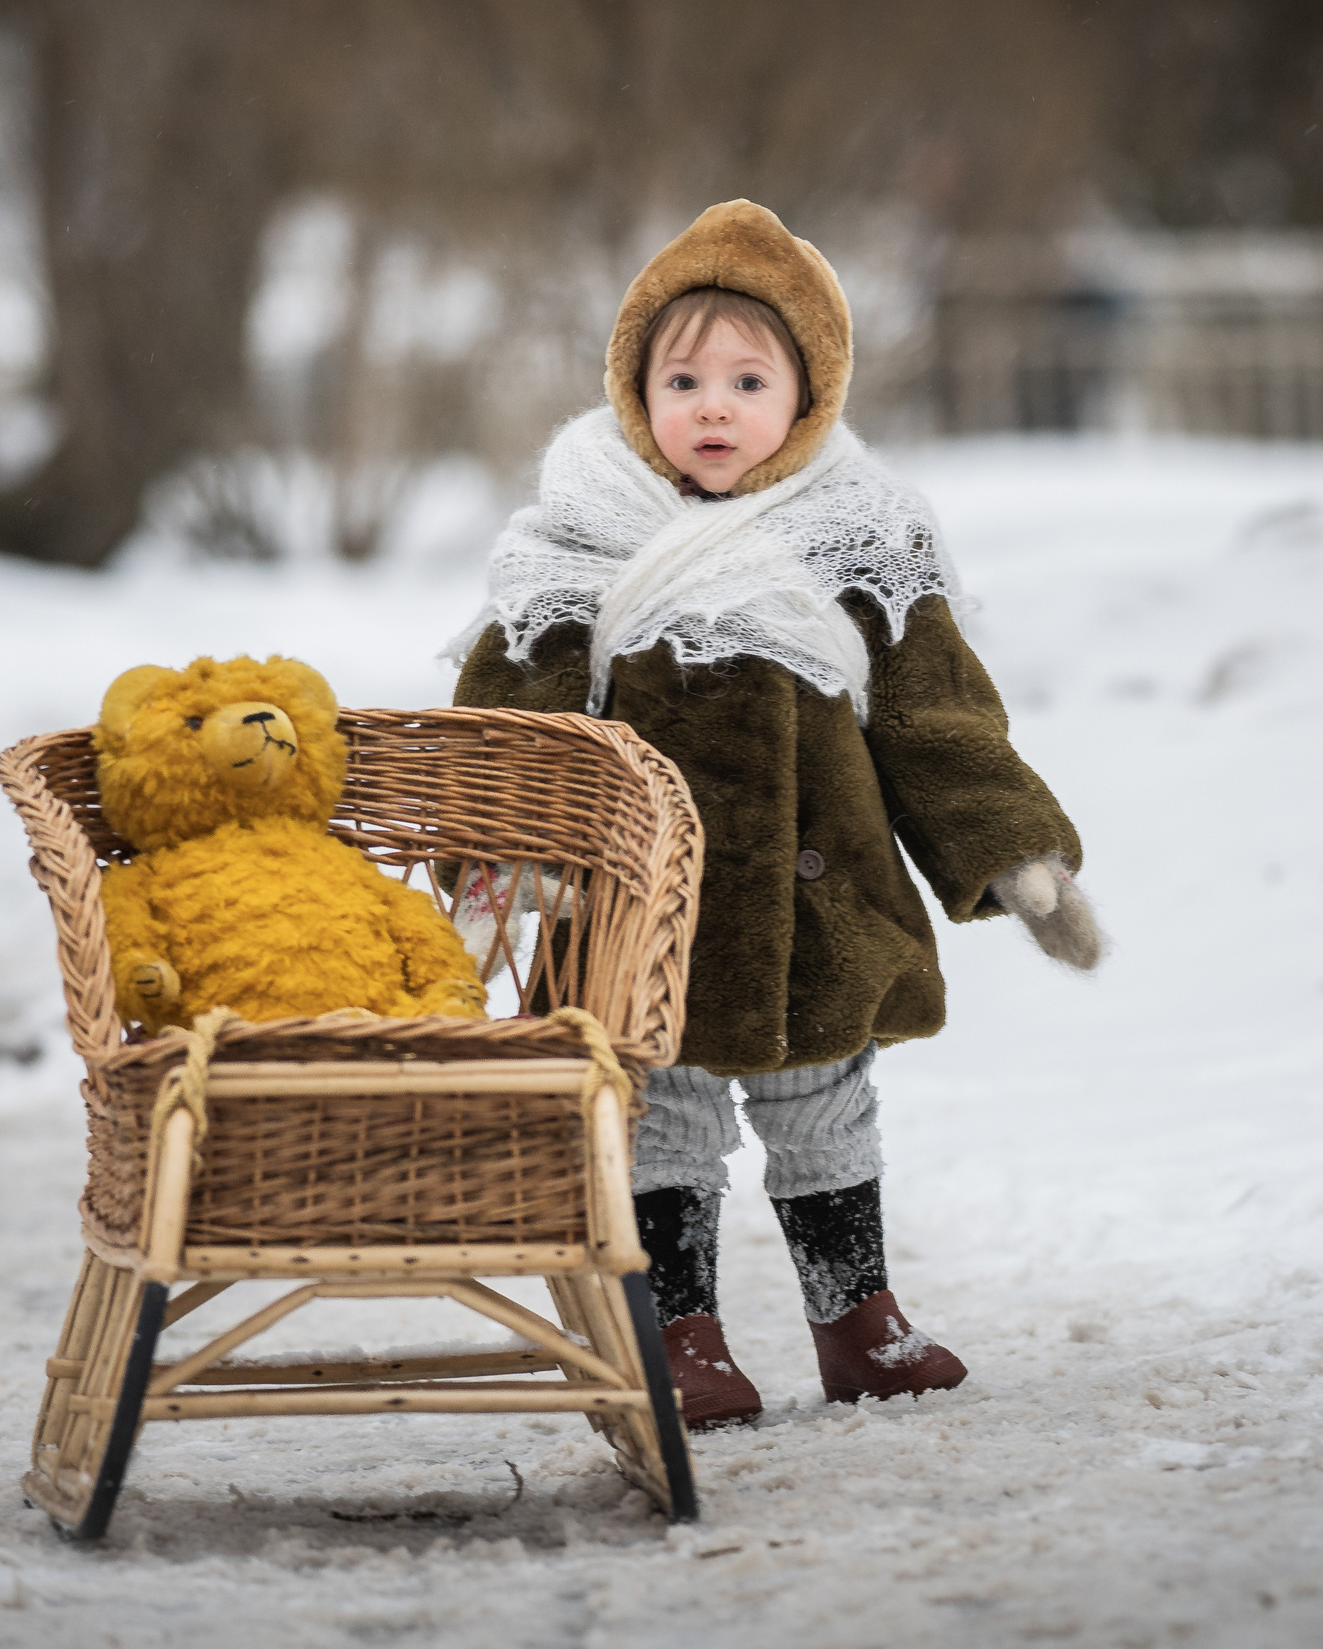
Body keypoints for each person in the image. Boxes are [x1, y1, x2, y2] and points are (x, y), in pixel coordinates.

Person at [450, 200, 1101, 1428]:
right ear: (633, 387)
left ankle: (860, 1319)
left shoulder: (863, 540)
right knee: (661, 1119)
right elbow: (517, 718)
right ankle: (677, 1330)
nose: (711, 406)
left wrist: (1015, 853)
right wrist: (512, 851)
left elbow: (934, 719)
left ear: (807, 395)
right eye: (680, 377)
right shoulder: (574, 540)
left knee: (828, 1112)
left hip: (820, 899)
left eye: (747, 379)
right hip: (645, 910)